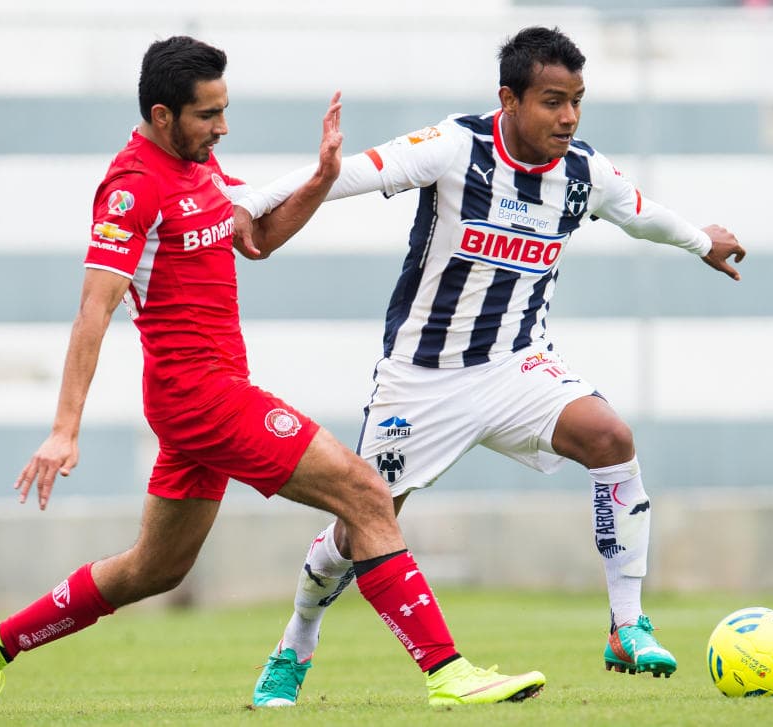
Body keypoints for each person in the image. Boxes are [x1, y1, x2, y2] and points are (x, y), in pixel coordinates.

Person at [0, 35, 548, 714]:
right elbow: (93, 309)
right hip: (202, 396)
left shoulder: (199, 170)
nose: (222, 127)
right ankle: (445, 669)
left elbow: (255, 237)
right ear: (163, 115)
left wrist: (320, 179)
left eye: (224, 110)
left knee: (155, 568)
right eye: (208, 115)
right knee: (365, 491)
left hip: (201, 399)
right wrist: (63, 429)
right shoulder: (132, 188)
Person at [235, 26, 746, 707]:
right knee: (364, 523)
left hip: (515, 366)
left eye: (576, 101)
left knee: (610, 438)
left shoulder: (582, 171)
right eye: (551, 101)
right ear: (508, 98)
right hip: (420, 378)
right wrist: (248, 201)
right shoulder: (457, 148)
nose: (566, 117)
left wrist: (698, 242)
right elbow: (351, 171)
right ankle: (294, 643)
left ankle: (627, 624)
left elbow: (639, 213)